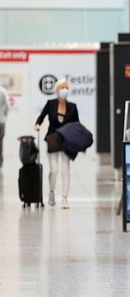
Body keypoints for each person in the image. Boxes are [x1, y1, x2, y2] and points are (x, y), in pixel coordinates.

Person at [34, 78, 80, 209]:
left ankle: (64, 198)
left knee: (65, 169)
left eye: (66, 88)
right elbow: (41, 117)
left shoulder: (72, 107)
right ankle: (52, 192)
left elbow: (77, 124)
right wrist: (37, 124)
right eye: (62, 87)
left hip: (67, 140)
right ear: (57, 90)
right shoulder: (51, 104)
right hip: (53, 139)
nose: (64, 90)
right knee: (54, 169)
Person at [0, 84, 9, 167]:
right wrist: (4, 115)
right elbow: (7, 106)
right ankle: (0, 161)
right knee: (0, 141)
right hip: (1, 121)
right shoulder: (2, 91)